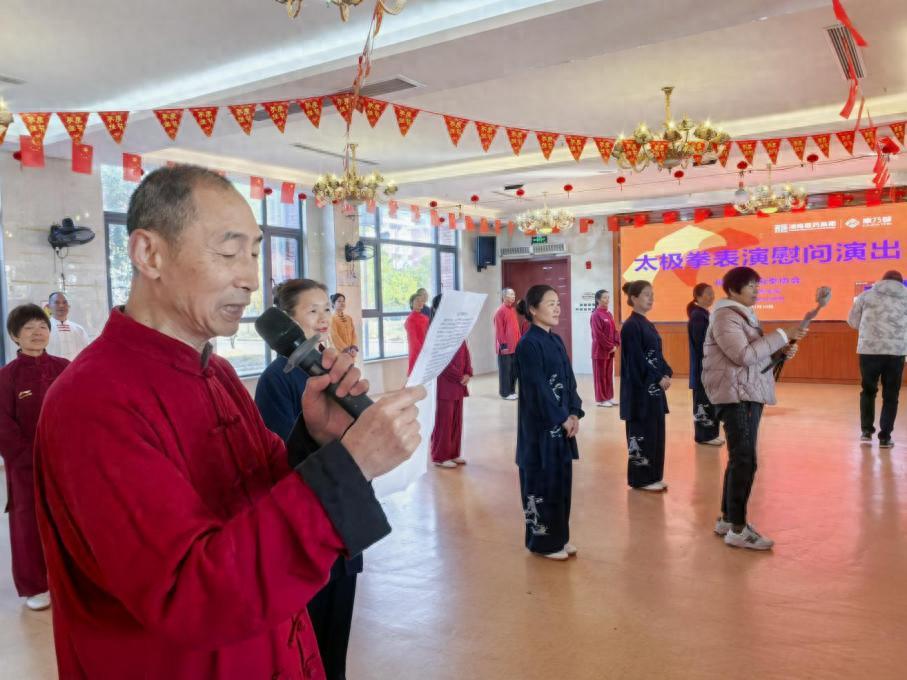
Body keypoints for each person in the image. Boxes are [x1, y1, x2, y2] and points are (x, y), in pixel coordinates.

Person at [32, 165, 425, 680]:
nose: (249, 276)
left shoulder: (214, 373)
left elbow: (260, 500)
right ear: (149, 253)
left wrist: (321, 443)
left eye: (256, 252)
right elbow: (190, 594)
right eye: (228, 251)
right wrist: (349, 469)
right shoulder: (93, 401)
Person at [256, 279, 361, 680]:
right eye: (311, 310)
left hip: (345, 514)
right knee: (309, 636)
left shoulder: (333, 367)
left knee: (338, 630)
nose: (322, 318)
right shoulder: (275, 380)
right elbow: (285, 453)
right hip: (308, 519)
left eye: (324, 309)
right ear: (287, 320)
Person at [702, 266, 805, 551]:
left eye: (757, 286)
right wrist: (782, 336)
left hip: (745, 393)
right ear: (734, 290)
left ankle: (727, 520)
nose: (757, 291)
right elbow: (743, 355)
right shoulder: (725, 317)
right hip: (736, 397)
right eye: (751, 286)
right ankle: (738, 529)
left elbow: (755, 354)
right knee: (745, 460)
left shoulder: (741, 315)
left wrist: (779, 351)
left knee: (739, 458)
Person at [0, 304, 69, 612]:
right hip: (25, 466)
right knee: (28, 524)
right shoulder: (7, 378)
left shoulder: (65, 367)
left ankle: (70, 579)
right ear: (15, 336)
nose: (38, 332)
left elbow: (81, 411)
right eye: (28, 328)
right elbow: (3, 425)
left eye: (42, 326)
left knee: (68, 519)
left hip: (66, 462)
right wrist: (27, 457)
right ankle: (35, 584)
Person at [515, 285, 584, 561]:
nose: (557, 308)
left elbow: (568, 381)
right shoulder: (528, 344)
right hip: (539, 430)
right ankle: (542, 542)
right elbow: (537, 389)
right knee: (541, 482)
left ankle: (560, 537)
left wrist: (574, 412)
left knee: (560, 482)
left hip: (562, 425)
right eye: (550, 303)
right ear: (533, 309)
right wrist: (559, 417)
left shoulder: (555, 340)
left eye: (558, 303)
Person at [619, 281, 672, 492]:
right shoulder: (631, 326)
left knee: (655, 434)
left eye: (652, 294)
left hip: (654, 392)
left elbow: (657, 356)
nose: (651, 298)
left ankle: (653, 476)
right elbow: (636, 360)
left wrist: (666, 371)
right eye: (646, 295)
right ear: (633, 298)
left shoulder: (647, 323)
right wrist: (658, 377)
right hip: (640, 392)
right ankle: (641, 479)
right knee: (641, 433)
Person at [847, 270, 907, 448]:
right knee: (891, 395)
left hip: (869, 350)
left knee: (868, 391)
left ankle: (866, 432)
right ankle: (885, 437)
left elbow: (852, 322)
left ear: (882, 280)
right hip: (896, 351)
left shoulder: (866, 296)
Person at [429, 294, 473, 469]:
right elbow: (441, 359)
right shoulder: (437, 329)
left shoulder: (456, 325)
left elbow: (465, 350)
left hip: (459, 383)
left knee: (456, 420)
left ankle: (453, 453)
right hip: (445, 383)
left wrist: (468, 372)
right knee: (444, 421)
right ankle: (440, 456)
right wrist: (458, 376)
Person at [687, 283, 723, 445]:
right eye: (708, 294)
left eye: (713, 293)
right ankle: (704, 436)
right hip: (703, 368)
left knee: (710, 400)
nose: (712, 296)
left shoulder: (704, 314)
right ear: (698, 296)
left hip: (709, 367)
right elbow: (703, 344)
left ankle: (711, 434)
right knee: (703, 401)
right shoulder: (698, 316)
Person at [590, 289, 620, 407]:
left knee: (608, 375)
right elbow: (598, 335)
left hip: (610, 351)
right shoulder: (596, 315)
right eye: (604, 298)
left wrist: (616, 344)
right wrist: (609, 346)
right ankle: (601, 399)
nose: (607, 300)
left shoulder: (609, 314)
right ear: (598, 300)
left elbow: (614, 331)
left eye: (608, 297)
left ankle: (609, 397)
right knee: (600, 376)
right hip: (600, 351)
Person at [45, 291, 91, 361]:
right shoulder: (43, 329)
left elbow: (87, 353)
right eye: (57, 303)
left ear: (69, 306)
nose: (61, 305)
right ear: (48, 306)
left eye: (64, 302)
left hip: (75, 370)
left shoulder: (79, 329)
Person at [494, 288, 520, 400]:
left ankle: (511, 391)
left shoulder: (512, 310)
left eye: (514, 294)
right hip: (505, 348)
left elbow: (516, 329)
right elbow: (499, 331)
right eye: (511, 294)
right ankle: (505, 393)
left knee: (513, 371)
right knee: (505, 371)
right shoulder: (500, 311)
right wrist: (503, 346)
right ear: (504, 297)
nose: (513, 296)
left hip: (515, 347)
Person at [405, 292, 429, 375]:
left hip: (427, 351)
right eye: (417, 300)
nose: (420, 302)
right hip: (418, 354)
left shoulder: (425, 318)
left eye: (422, 301)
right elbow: (414, 342)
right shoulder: (410, 320)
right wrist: (424, 354)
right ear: (412, 303)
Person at [329, 292, 359, 357]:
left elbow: (353, 334)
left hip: (351, 352)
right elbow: (334, 336)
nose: (342, 303)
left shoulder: (349, 318)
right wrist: (346, 350)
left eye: (343, 301)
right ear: (333, 304)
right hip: (339, 353)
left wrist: (353, 348)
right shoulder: (331, 318)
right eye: (339, 301)